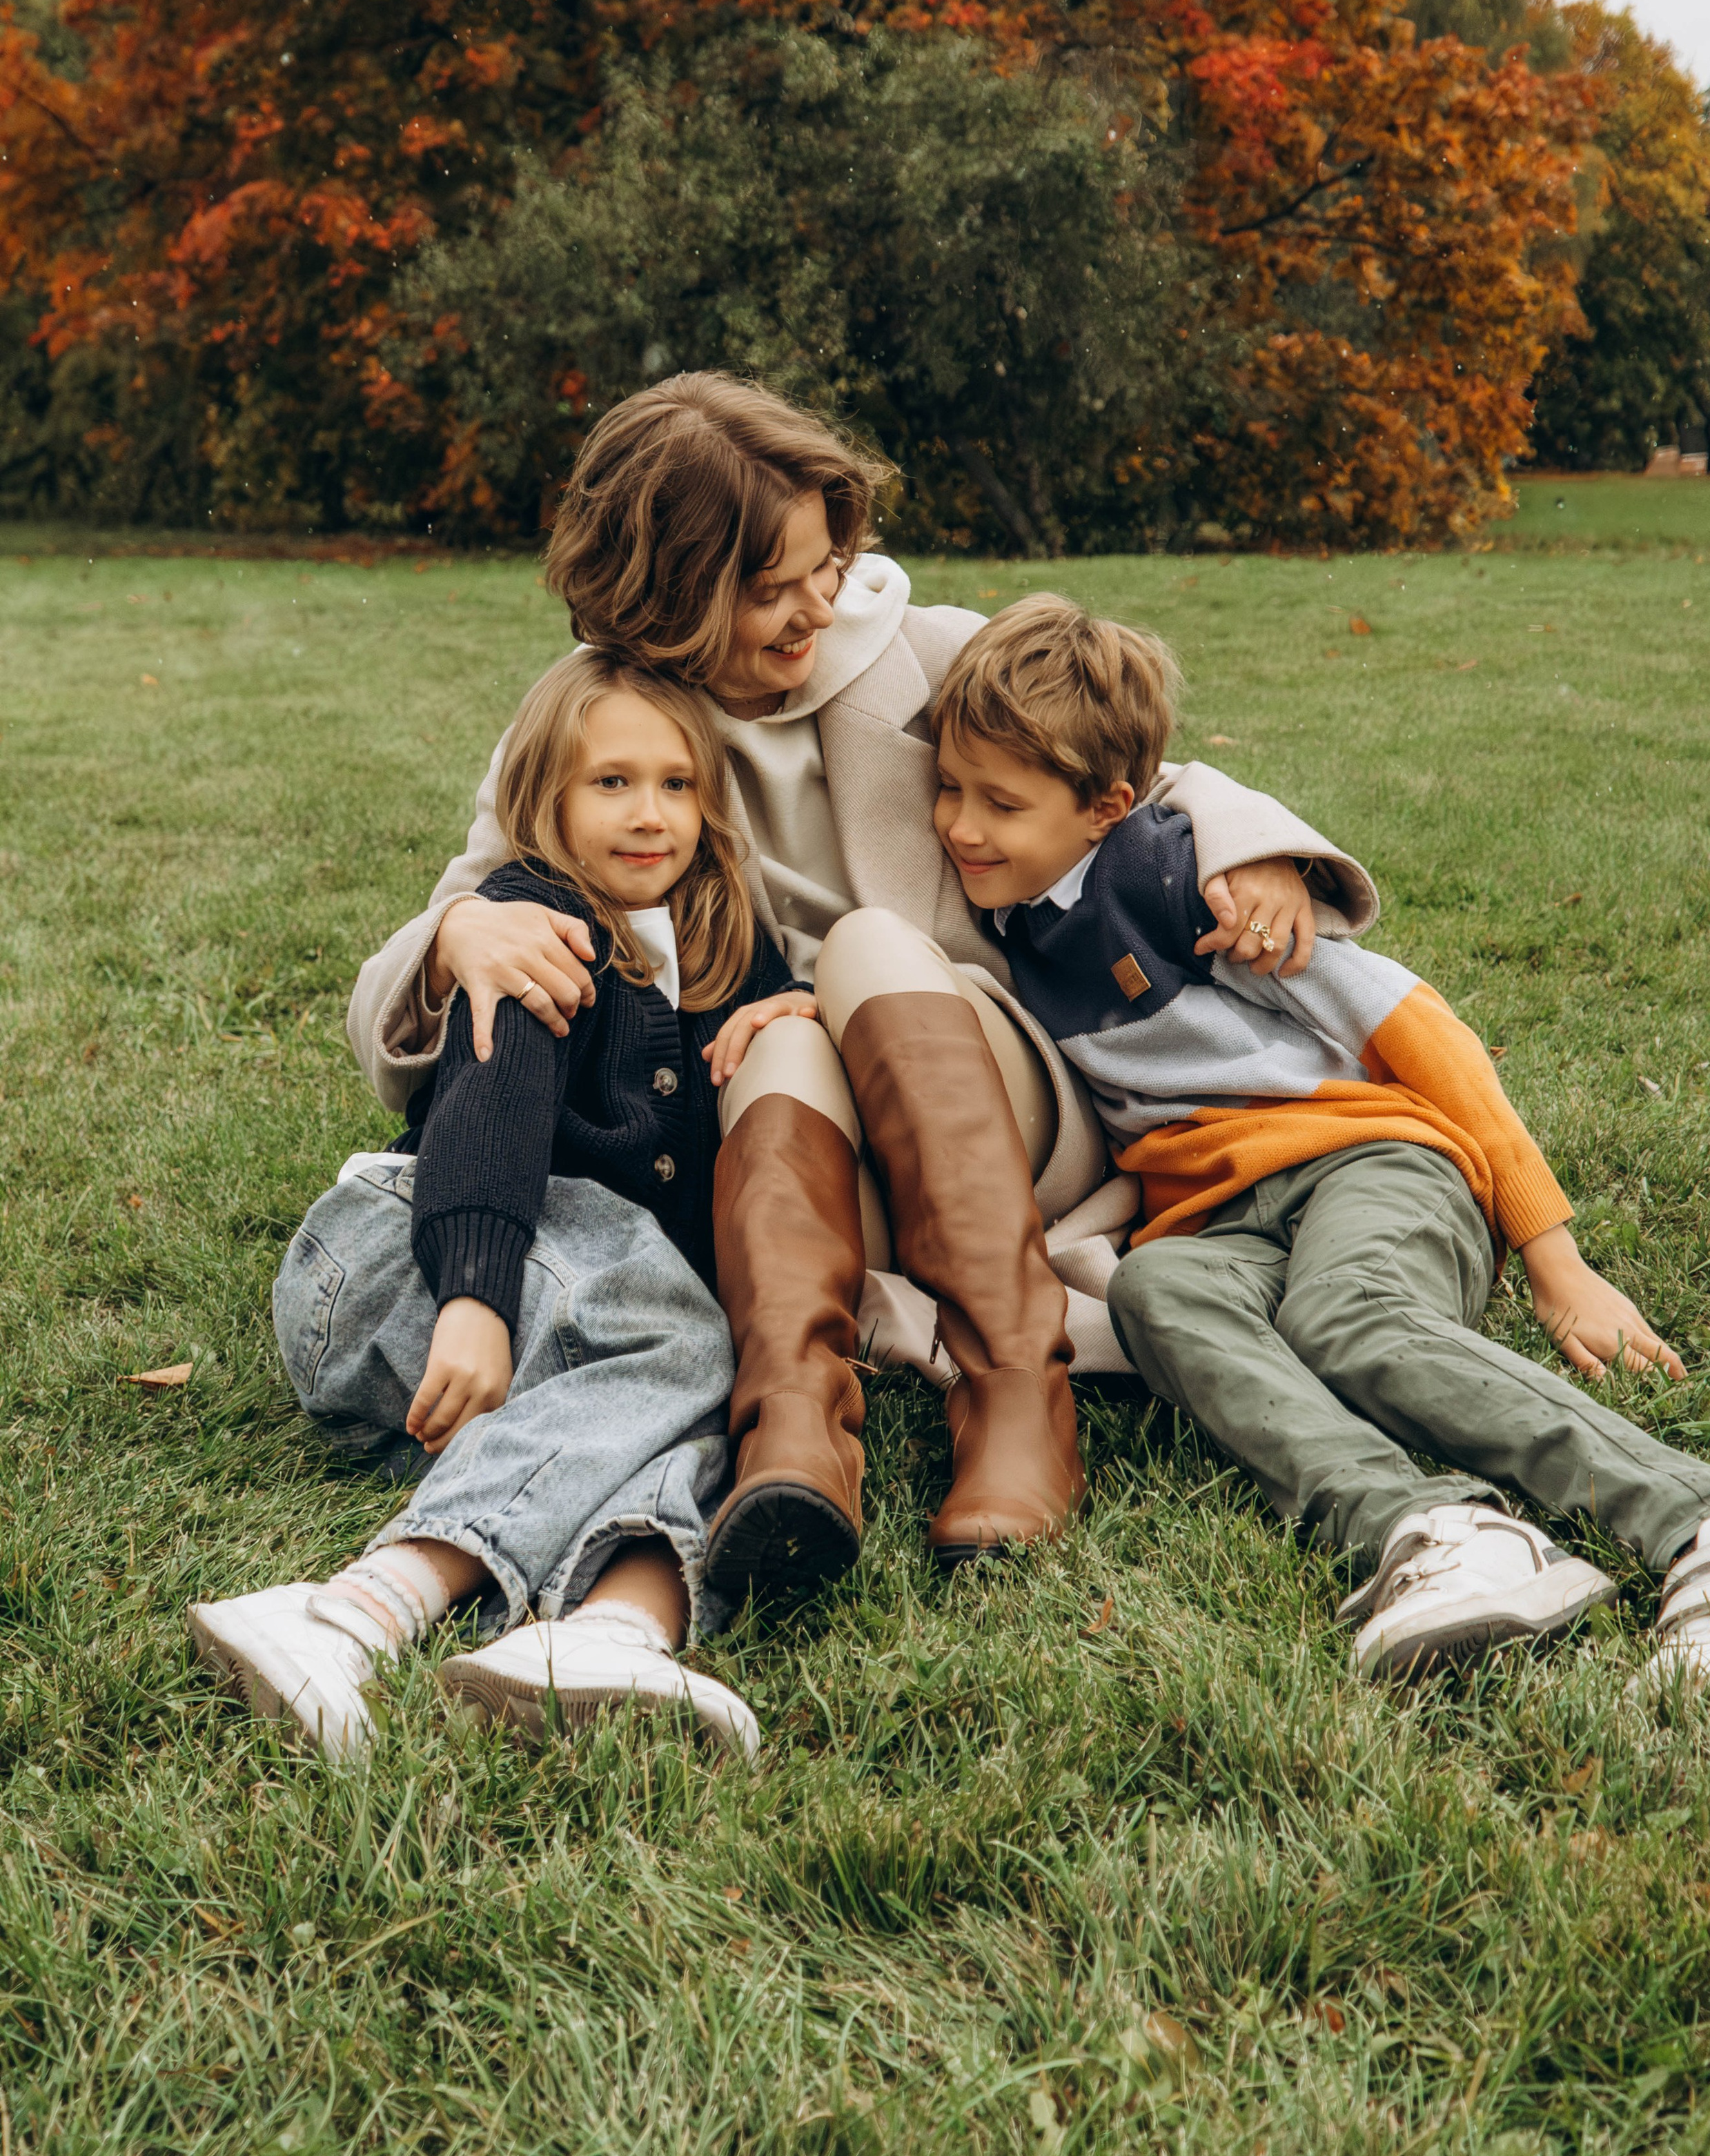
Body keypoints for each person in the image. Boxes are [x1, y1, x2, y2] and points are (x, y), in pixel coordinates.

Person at [348, 374, 1380, 1593]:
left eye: (825, 565)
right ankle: (795, 1430)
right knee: (778, 1038)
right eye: (768, 590)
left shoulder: (924, 651)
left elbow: (1131, 776)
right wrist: (463, 931)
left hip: (995, 1113)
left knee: (863, 950)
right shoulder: (601, 723)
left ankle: (1013, 1396)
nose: (813, 609)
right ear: (667, 591)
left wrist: (1249, 845)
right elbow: (421, 966)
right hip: (778, 1165)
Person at [923, 593, 1710, 1683]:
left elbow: (1424, 1031)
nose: (959, 826)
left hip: (1373, 1164)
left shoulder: (1192, 883)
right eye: (950, 789)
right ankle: (1443, 1537)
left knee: (1344, 1316)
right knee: (1154, 1293)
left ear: (1107, 807)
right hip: (1220, 1221)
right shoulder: (1009, 911)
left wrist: (1557, 1260)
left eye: (999, 801)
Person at [189, 654, 818, 1759]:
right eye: (611, 782)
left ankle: (615, 1632)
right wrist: (473, 1295)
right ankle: (353, 1612)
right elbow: (492, 1104)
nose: (649, 814)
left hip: (570, 1322)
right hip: (408, 1263)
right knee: (679, 1340)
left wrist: (791, 1015)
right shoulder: (531, 918)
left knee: (701, 1400)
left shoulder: (728, 947)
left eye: (677, 784)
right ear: (547, 797)